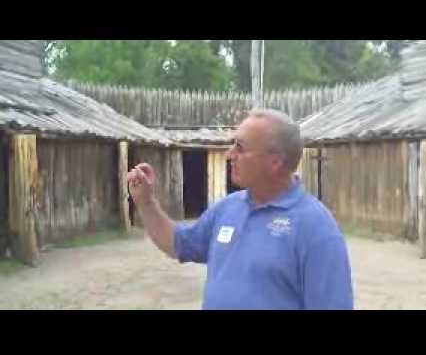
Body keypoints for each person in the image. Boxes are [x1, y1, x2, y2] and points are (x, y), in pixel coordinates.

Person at [127, 108, 354, 310]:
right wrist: (146, 203)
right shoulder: (227, 208)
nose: (229, 155)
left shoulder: (317, 229)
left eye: (240, 148)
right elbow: (178, 245)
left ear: (275, 161)